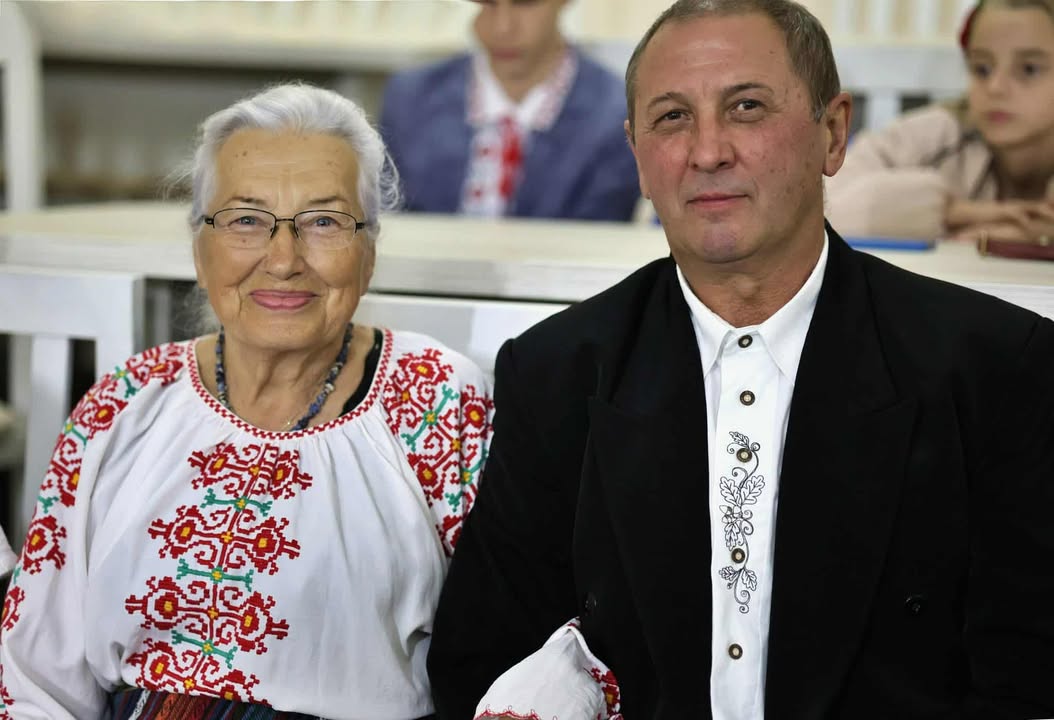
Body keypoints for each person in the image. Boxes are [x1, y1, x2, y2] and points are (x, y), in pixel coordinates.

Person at [426, 0, 1054, 718]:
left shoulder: (995, 367)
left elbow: (1027, 679)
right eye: (672, 117)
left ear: (833, 133)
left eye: (746, 107)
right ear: (637, 155)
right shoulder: (557, 372)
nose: (708, 152)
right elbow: (484, 663)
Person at [0, 83, 493, 720]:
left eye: (324, 222)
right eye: (246, 220)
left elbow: (501, 651)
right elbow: (35, 671)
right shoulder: (126, 401)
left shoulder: (438, 399)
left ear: (368, 250)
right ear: (200, 249)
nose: (283, 260)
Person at [380, 0, 641, 221]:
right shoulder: (410, 98)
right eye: (488, 3)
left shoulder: (617, 115)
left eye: (525, 3)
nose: (502, 28)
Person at [825, 0, 1054, 244]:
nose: (995, 87)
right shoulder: (940, 131)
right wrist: (949, 211)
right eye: (982, 69)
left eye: (1029, 69)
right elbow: (822, 203)